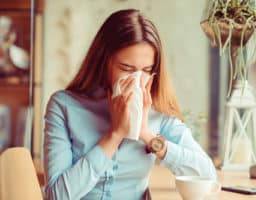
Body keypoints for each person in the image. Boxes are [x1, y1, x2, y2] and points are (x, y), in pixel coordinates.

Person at [44, 9, 217, 200]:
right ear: (104, 62)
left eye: (146, 70)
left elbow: (207, 175)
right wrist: (114, 135)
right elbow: (56, 196)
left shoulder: (158, 112)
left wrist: (146, 134)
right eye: (126, 68)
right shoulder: (64, 106)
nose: (136, 80)